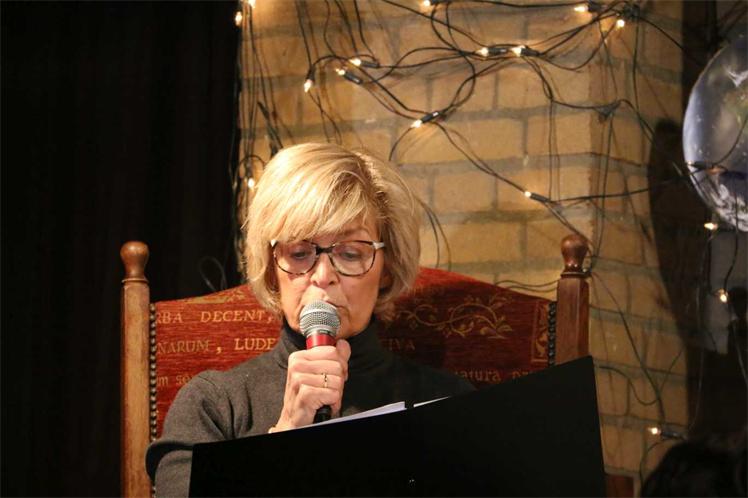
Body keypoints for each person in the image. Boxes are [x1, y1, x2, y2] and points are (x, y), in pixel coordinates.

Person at [145, 143, 474, 496]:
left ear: (387, 269)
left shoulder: (447, 401)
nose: (322, 275)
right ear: (272, 270)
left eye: (350, 254)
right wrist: (286, 433)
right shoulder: (214, 404)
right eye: (300, 253)